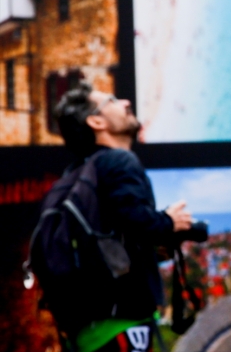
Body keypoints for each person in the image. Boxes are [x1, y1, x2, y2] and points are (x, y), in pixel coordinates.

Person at [54, 83, 194, 352]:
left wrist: (153, 251)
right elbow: (135, 219)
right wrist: (168, 222)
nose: (126, 103)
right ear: (96, 121)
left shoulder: (76, 173)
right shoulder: (119, 161)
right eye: (112, 100)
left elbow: (105, 241)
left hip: (88, 331)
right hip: (123, 323)